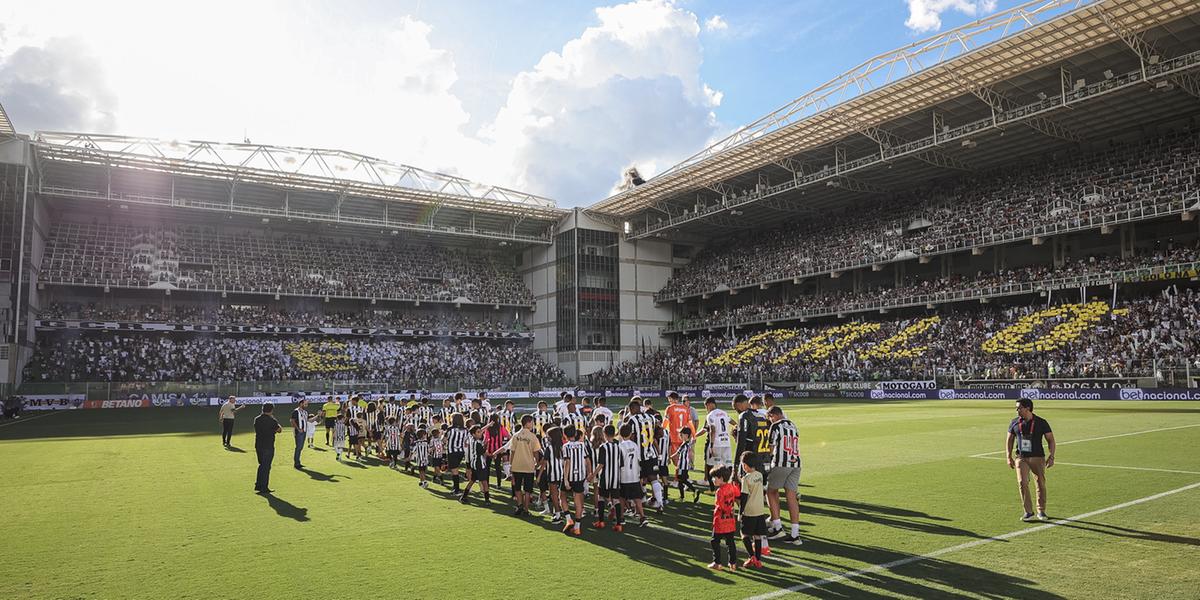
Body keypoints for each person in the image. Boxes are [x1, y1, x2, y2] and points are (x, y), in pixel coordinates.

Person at [1007, 398, 1055, 521]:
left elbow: (1050, 439)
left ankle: (1041, 510)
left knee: (1040, 483)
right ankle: (1028, 511)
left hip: (1038, 457)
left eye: (1019, 407)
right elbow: (1010, 440)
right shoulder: (1014, 422)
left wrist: (1051, 456)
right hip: (1021, 458)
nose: (1017, 410)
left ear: (1027, 408)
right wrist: (1008, 456)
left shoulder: (1041, 422)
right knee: (1022, 483)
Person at [765, 406, 803, 544]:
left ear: (773, 415)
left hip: (782, 463)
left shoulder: (775, 426)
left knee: (770, 492)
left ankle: (778, 527)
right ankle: (795, 534)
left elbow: (771, 448)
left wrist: (767, 462)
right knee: (791, 497)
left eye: (770, 417)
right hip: (796, 463)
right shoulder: (793, 425)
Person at [496, 414, 541, 516]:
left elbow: (512, 451)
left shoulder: (515, 436)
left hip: (516, 465)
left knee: (517, 488)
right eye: (532, 422)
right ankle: (525, 508)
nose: (533, 424)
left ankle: (519, 505)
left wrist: (511, 465)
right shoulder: (532, 436)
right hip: (528, 466)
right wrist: (537, 462)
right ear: (528, 423)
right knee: (527, 489)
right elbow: (536, 452)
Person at [739, 452, 768, 569]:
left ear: (745, 465)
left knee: (744, 534)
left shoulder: (746, 478)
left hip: (749, 511)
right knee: (757, 536)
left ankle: (752, 557)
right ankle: (758, 560)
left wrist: (740, 512)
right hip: (760, 510)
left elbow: (744, 496)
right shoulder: (759, 475)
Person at [561, 425, 592, 536]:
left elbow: (567, 463)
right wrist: (590, 473)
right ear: (575, 434)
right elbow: (588, 460)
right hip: (580, 477)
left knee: (562, 496)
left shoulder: (565, 446)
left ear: (565, 435)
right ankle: (577, 528)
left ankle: (569, 519)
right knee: (578, 502)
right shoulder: (582, 445)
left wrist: (565, 480)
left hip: (569, 476)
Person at [617, 423, 648, 529]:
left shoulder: (620, 446)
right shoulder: (634, 445)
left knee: (621, 498)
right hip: (634, 475)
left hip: (624, 476)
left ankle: (621, 518)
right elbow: (639, 461)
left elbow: (619, 463)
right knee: (637, 498)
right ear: (630, 434)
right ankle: (643, 517)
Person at [709, 466, 740, 571]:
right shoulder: (731, 487)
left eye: (715, 478)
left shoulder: (720, 491)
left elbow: (721, 506)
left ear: (721, 478)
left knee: (714, 541)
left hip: (720, 521)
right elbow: (738, 493)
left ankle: (717, 562)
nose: (713, 480)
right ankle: (733, 563)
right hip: (730, 520)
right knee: (730, 542)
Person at [592, 424, 621, 529]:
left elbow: (601, 464)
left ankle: (601, 521)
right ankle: (618, 524)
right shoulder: (618, 445)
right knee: (616, 500)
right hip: (615, 477)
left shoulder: (603, 447)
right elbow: (621, 463)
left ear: (604, 434)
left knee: (601, 498)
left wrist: (593, 475)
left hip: (605, 476)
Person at [254, 403, 282, 493]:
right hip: (268, 445)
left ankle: (258, 484)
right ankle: (264, 487)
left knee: (261, 465)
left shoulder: (257, 419)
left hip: (259, 445)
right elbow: (279, 430)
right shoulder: (272, 420)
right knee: (266, 467)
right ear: (271, 410)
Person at [460, 425, 490, 504]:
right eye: (478, 432)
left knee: (472, 481)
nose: (480, 433)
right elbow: (483, 452)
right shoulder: (477, 443)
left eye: (480, 432)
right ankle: (487, 499)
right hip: (480, 464)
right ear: (474, 434)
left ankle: (464, 496)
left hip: (474, 464)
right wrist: (486, 445)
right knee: (484, 482)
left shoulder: (471, 440)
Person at [671, 427, 701, 502]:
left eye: (682, 434)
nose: (680, 435)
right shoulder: (687, 443)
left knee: (682, 480)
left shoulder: (684, 445)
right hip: (684, 465)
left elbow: (676, 454)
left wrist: (669, 457)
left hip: (682, 466)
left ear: (686, 435)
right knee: (681, 481)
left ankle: (694, 490)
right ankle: (682, 497)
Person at [665, 391, 691, 456]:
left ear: (671, 399)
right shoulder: (685, 408)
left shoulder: (670, 408)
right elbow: (690, 423)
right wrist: (693, 435)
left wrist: (662, 430)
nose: (669, 401)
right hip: (684, 437)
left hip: (674, 437)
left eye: (669, 399)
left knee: (675, 458)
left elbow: (665, 423)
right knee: (683, 458)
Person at [290, 398, 309, 469]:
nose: (306, 405)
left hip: (304, 432)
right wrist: (298, 429)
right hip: (299, 432)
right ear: (301, 404)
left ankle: (298, 462)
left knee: (300, 447)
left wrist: (317, 416)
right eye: (305, 403)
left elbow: (308, 420)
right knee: (298, 447)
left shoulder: (305, 412)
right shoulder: (296, 411)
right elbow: (292, 421)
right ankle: (296, 463)